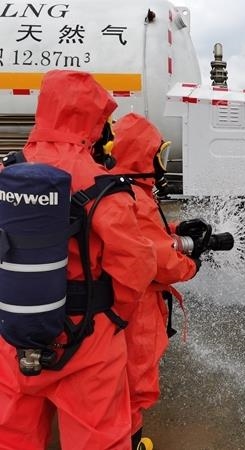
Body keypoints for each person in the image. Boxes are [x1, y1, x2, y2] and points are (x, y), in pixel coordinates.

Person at [0, 70, 157, 449]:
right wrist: (113, 317)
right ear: (93, 120)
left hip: (12, 333)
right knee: (97, 439)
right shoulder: (102, 185)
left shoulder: (7, 172)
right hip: (87, 336)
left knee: (12, 436)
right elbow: (136, 268)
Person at [110, 113, 200, 449]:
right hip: (136, 310)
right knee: (133, 387)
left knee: (118, 385)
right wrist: (193, 263)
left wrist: (175, 229)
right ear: (144, 155)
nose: (162, 163)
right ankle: (131, 442)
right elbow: (163, 264)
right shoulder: (135, 196)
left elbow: (144, 237)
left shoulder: (118, 188)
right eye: (159, 154)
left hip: (116, 306)